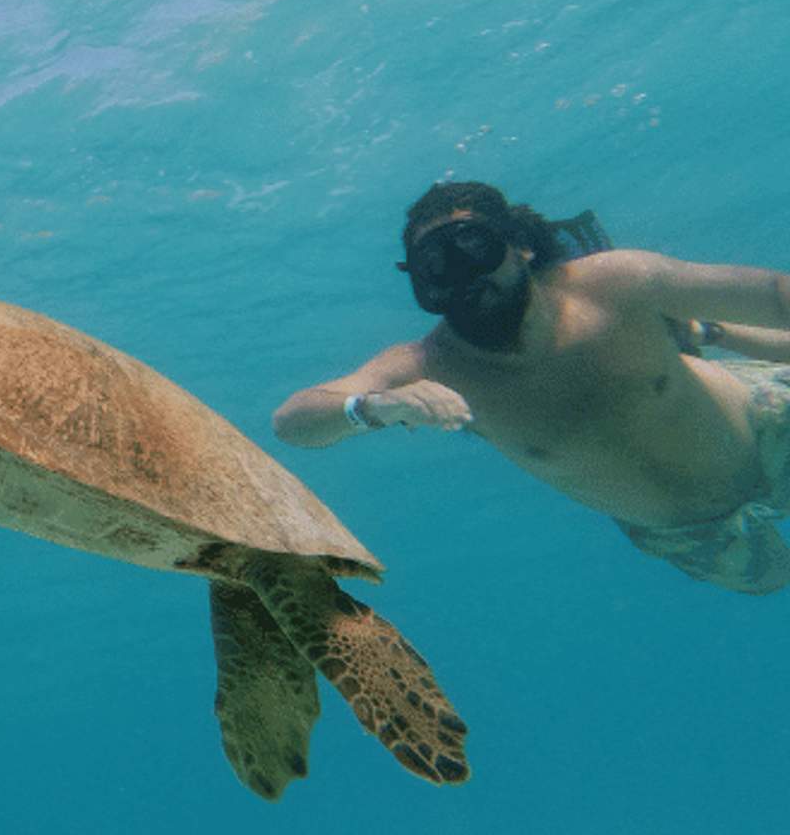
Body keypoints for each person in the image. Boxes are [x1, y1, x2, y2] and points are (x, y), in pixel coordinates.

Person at [273, 180, 790, 595]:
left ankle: (703, 333)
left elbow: (773, 294)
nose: (463, 276)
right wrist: (375, 407)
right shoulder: (428, 366)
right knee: (773, 582)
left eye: (474, 246)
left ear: (519, 247)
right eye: (436, 265)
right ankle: (693, 333)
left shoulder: (615, 282)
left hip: (769, 429)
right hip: (686, 534)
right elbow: (294, 422)